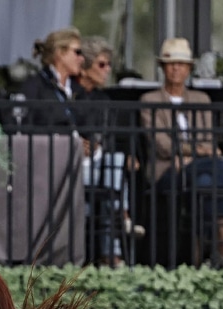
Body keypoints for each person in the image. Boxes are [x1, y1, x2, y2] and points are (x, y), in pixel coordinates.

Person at [139, 37, 223, 266]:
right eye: (171, 63)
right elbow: (162, 144)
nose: (176, 68)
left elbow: (209, 140)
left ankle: (197, 258)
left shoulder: (201, 99)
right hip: (167, 171)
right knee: (216, 167)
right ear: (162, 67)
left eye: (181, 64)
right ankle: (222, 240)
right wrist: (195, 151)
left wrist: (192, 154)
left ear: (189, 68)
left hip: (195, 169)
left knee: (203, 180)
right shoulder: (149, 100)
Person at [75, 35, 140, 266]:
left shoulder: (104, 99)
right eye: (101, 64)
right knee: (115, 171)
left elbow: (111, 137)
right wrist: (78, 144)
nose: (107, 70)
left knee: (116, 164)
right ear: (84, 67)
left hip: (100, 165)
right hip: (73, 166)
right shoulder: (71, 94)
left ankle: (112, 245)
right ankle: (122, 218)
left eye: (109, 64)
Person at [16, 26, 85, 130]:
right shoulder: (35, 85)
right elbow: (23, 127)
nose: (82, 59)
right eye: (77, 52)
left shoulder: (78, 90)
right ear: (60, 53)